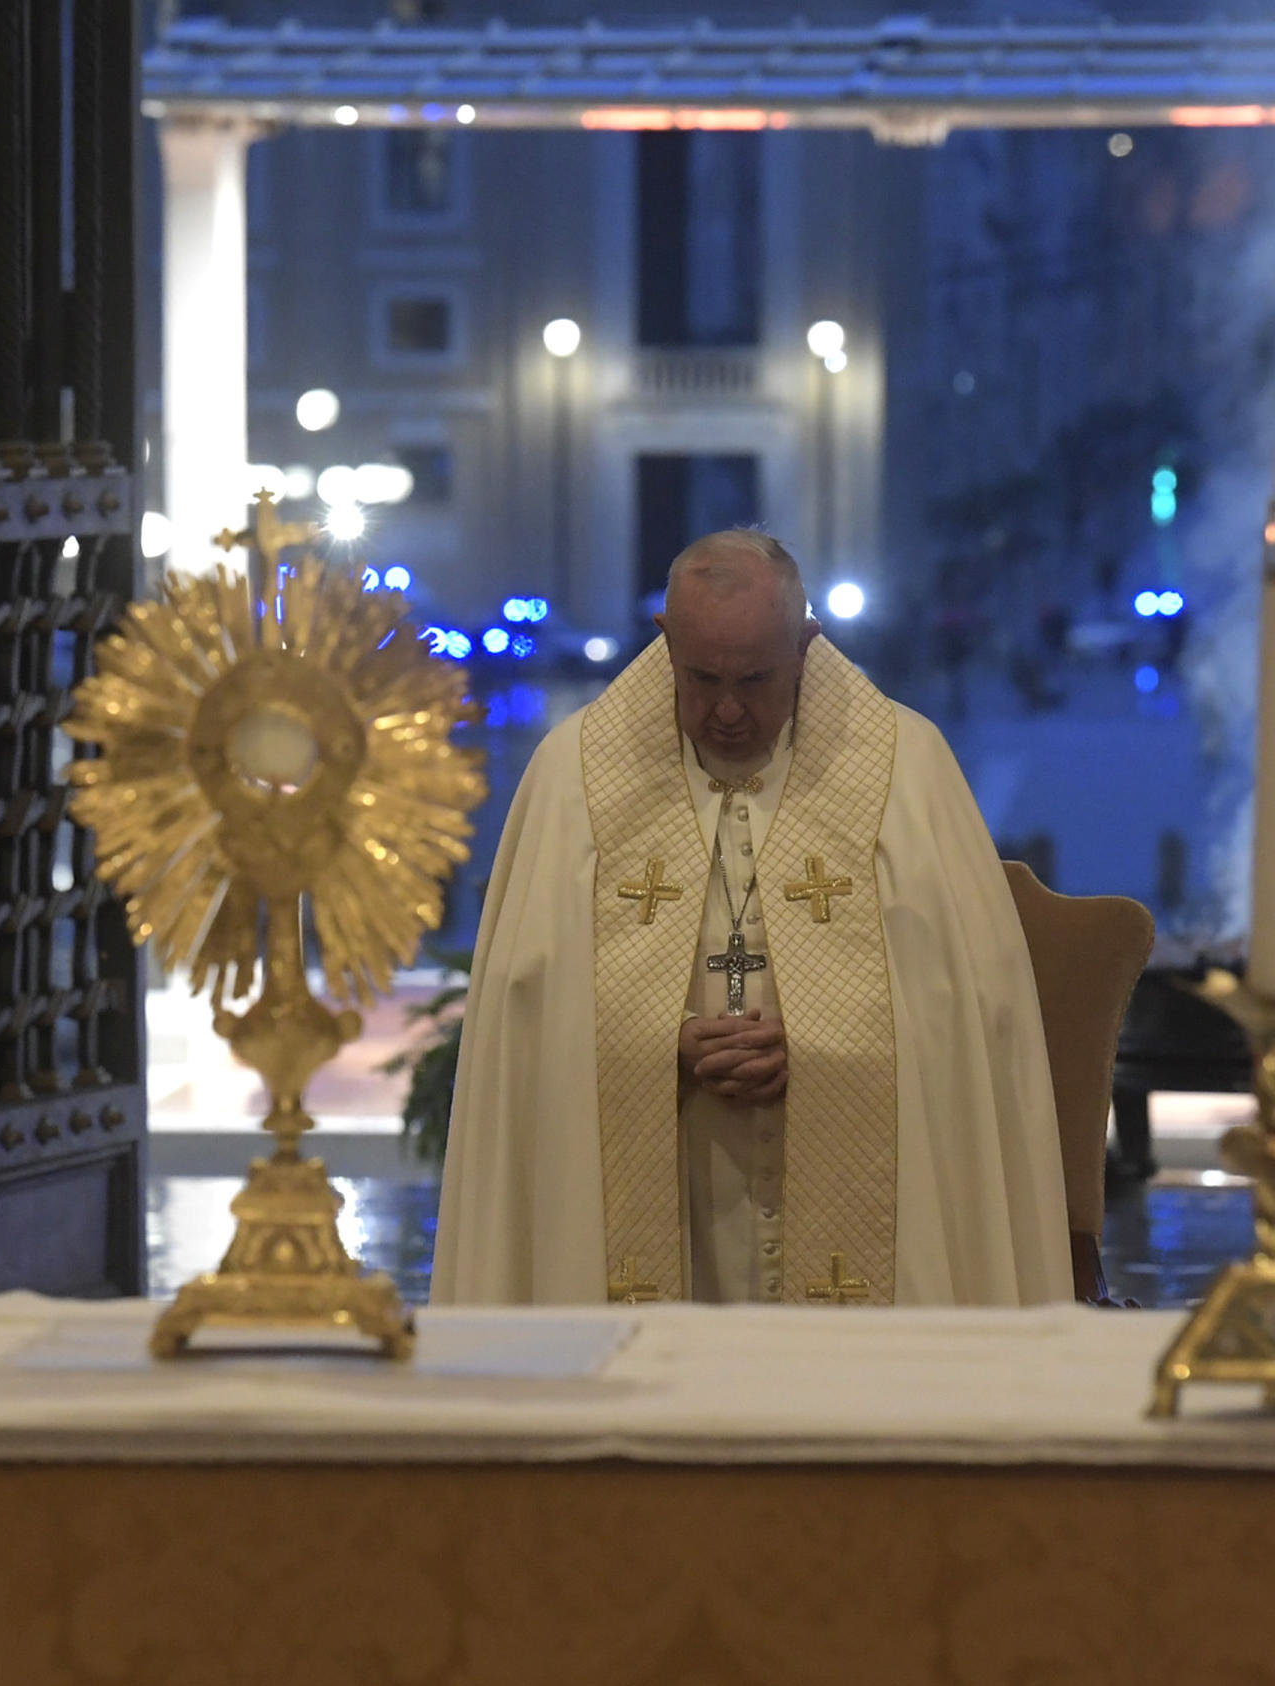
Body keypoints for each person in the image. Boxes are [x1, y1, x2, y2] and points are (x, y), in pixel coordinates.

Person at [433, 529, 1073, 1308]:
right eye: (701, 679)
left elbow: (973, 1016)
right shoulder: (574, 777)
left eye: (757, 679)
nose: (728, 710)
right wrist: (650, 1041)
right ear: (665, 641)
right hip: (665, 1177)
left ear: (806, 645)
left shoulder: (908, 767)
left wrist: (820, 1039)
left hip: (859, 1179)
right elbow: (523, 1011)